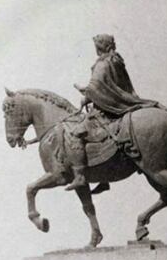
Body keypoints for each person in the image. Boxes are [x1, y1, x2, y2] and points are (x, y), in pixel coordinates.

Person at [65, 34, 157, 192]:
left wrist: (84, 95)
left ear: (100, 46)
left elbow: (95, 88)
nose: (96, 48)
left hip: (106, 110)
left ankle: (80, 177)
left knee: (75, 133)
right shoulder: (116, 60)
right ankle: (103, 178)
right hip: (118, 106)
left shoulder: (103, 64)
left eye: (97, 46)